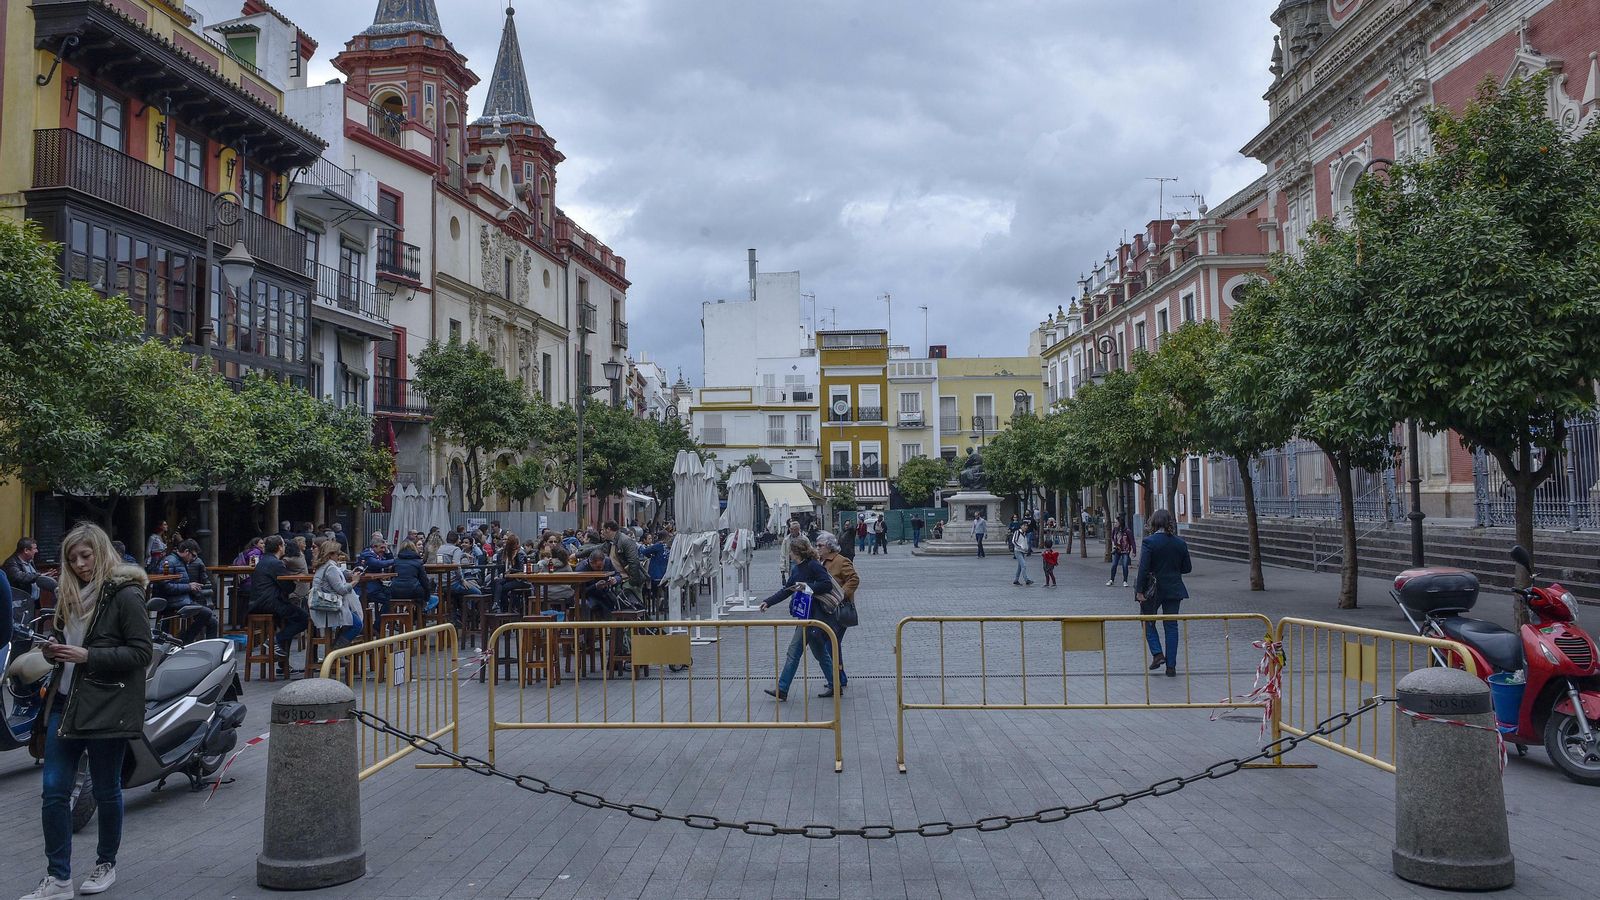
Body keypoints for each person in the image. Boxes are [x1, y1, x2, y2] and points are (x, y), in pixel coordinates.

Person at [23, 522, 152, 900]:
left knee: (107, 788)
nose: (80, 564)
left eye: (86, 555)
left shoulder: (125, 594)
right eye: (72, 558)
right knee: (53, 792)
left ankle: (105, 863)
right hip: (65, 703)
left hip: (105, 704)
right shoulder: (68, 593)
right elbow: (66, 640)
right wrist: (53, 647)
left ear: (101, 552)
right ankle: (58, 877)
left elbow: (141, 653)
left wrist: (88, 655)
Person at [759, 535, 844, 700]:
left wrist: (807, 587)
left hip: (815, 617)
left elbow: (826, 584)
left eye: (791, 551)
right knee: (820, 654)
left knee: (793, 652)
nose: (789, 554)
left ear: (797, 552)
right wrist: (768, 602)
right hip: (806, 617)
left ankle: (782, 688)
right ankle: (836, 684)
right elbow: (787, 590)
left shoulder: (813, 566)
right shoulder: (797, 569)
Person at [1134, 509, 1192, 677]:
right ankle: (1171, 667)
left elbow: (1143, 569)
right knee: (1171, 626)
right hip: (1174, 588)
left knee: (1146, 620)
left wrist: (1139, 591)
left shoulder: (1149, 542)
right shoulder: (1180, 543)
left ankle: (1157, 653)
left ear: (1154, 523)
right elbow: (1187, 568)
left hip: (1154, 590)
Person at [249, 535, 307, 677]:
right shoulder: (276, 564)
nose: (285, 547)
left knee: (288, 622)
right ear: (280, 547)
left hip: (258, 603)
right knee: (304, 618)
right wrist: (294, 581)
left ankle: (283, 664)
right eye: (283, 545)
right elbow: (288, 587)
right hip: (270, 604)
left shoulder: (263, 561)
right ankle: (275, 641)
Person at [152, 540, 219, 643]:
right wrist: (189, 587)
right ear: (187, 551)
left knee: (213, 622)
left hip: (181, 599)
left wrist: (191, 586)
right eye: (193, 555)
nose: (194, 559)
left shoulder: (180, 561)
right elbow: (166, 587)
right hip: (172, 601)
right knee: (206, 612)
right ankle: (184, 641)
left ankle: (209, 649)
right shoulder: (169, 561)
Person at [815, 531, 858, 683]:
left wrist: (841, 595)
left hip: (840, 610)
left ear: (829, 547)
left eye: (820, 545)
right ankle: (840, 676)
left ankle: (837, 678)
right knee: (832, 643)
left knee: (830, 644)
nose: (817, 548)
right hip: (827, 611)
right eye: (817, 545)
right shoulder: (821, 561)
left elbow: (854, 579)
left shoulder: (841, 561)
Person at [309, 541, 364, 649]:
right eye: (337, 553)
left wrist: (348, 574)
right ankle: (337, 651)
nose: (339, 555)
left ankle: (336, 650)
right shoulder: (331, 568)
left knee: (351, 623)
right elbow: (341, 590)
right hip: (330, 606)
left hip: (324, 604)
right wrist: (355, 581)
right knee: (357, 624)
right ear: (330, 554)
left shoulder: (325, 566)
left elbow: (338, 574)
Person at [5, 538, 58, 622]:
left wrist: (45, 578)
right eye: (34, 548)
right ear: (26, 550)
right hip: (18, 606)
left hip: (31, 604)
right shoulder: (11, 563)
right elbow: (20, 576)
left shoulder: (30, 562)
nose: (36, 551)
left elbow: (32, 576)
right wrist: (38, 576)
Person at [356, 536, 395, 616]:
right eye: (382, 548)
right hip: (367, 589)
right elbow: (379, 564)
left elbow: (388, 561)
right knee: (390, 600)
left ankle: (381, 623)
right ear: (374, 547)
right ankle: (379, 625)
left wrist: (388, 551)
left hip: (375, 586)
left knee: (393, 595)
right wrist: (396, 560)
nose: (383, 550)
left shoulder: (378, 554)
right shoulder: (367, 555)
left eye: (385, 548)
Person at [387, 541, 431, 611]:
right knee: (420, 598)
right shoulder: (418, 562)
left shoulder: (396, 561)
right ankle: (415, 616)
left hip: (395, 591)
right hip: (413, 591)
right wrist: (427, 597)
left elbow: (392, 577)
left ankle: (397, 618)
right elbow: (424, 581)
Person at [1108, 518, 1135, 587]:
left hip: (1125, 550)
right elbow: (1112, 537)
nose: (1115, 524)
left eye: (1116, 522)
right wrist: (1114, 544)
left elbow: (1132, 541)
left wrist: (1134, 551)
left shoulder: (1127, 531)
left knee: (1125, 565)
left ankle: (1125, 581)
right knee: (1114, 565)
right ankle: (1111, 580)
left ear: (1120, 523)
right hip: (1117, 549)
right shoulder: (1115, 530)